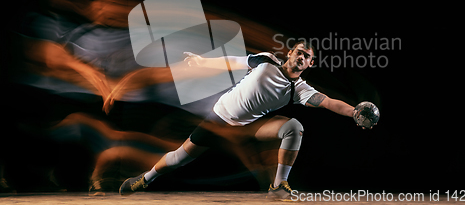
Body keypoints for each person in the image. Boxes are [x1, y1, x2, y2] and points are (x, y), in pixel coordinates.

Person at [119, 41, 369, 200]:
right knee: (177, 159)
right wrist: (203, 61)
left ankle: (279, 184)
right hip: (218, 120)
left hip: (248, 128)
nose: (302, 57)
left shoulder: (299, 89)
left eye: (307, 56)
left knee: (294, 128)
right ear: (290, 52)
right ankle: (145, 179)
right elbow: (232, 62)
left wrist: (354, 111)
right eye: (299, 52)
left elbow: (327, 101)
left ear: (310, 63)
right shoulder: (266, 60)